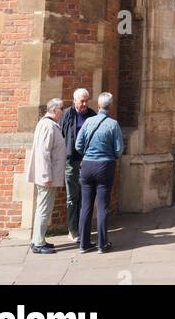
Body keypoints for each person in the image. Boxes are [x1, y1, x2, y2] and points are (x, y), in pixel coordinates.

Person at [75, 91, 124, 253]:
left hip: (87, 165)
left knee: (86, 206)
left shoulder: (88, 121)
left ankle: (84, 243)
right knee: (102, 207)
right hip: (104, 166)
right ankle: (102, 244)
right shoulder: (113, 124)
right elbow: (119, 149)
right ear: (111, 107)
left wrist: (89, 154)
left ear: (98, 106)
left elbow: (78, 145)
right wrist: (109, 155)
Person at [26, 97, 67, 255]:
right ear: (54, 110)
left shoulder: (49, 125)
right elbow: (44, 153)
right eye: (61, 108)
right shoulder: (48, 126)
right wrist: (46, 175)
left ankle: (38, 239)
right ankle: (38, 243)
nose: (63, 111)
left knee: (44, 208)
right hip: (47, 177)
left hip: (48, 176)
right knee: (44, 209)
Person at [60, 87, 96, 240]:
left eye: (86, 101)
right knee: (72, 196)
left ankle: (83, 228)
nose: (84, 104)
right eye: (82, 101)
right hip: (71, 161)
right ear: (74, 101)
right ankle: (73, 229)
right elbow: (61, 135)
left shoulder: (92, 115)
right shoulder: (67, 114)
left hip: (87, 161)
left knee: (85, 196)